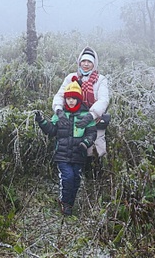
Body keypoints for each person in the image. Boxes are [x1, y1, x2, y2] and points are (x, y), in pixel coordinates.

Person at [35, 80, 97, 216]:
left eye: (74, 98)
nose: (71, 101)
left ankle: (70, 203)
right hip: (62, 155)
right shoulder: (60, 115)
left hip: (79, 155)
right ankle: (65, 204)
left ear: (79, 99)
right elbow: (51, 131)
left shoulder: (86, 116)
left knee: (76, 180)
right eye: (68, 98)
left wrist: (85, 143)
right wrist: (41, 121)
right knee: (67, 177)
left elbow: (92, 133)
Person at [52, 46, 110, 167]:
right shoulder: (70, 78)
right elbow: (60, 95)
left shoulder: (100, 80)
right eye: (83, 61)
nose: (86, 64)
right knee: (71, 147)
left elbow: (103, 100)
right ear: (79, 62)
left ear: (94, 64)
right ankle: (73, 175)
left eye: (89, 61)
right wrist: (58, 110)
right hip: (73, 118)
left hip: (93, 119)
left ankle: (93, 177)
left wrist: (91, 115)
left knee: (95, 150)